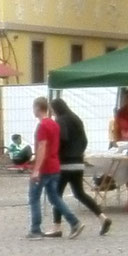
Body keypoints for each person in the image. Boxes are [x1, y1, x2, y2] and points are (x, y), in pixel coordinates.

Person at [48, 97, 111, 237]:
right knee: (80, 193)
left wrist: (57, 153)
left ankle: (57, 226)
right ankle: (102, 217)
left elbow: (62, 139)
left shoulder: (61, 120)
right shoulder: (76, 119)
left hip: (65, 163)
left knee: (56, 195)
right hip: (78, 162)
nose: (52, 113)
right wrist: (79, 153)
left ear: (56, 109)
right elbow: (85, 140)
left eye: (52, 110)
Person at [26, 96, 81, 239]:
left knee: (34, 197)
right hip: (54, 165)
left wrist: (36, 169)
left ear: (38, 108)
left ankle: (35, 229)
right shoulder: (54, 124)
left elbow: (42, 147)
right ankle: (74, 222)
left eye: (33, 107)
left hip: (44, 167)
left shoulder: (42, 125)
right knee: (55, 198)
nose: (33, 110)